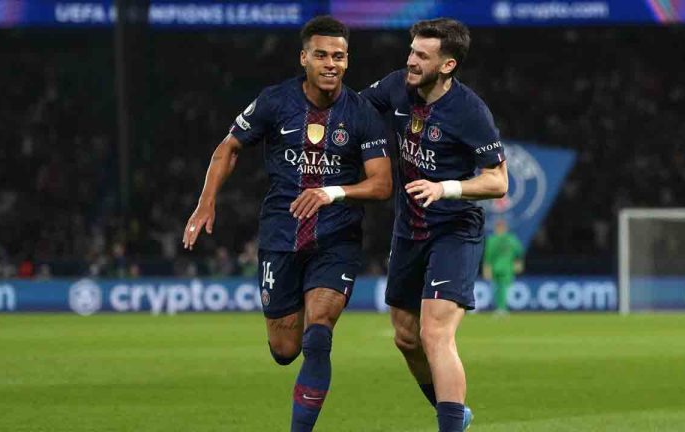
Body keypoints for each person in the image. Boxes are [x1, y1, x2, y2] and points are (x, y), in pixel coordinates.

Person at [182, 16, 391, 432]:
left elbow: (382, 183)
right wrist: (206, 202)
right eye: (321, 55)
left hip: (338, 238)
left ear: (347, 61)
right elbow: (229, 148)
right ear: (304, 58)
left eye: (338, 56)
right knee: (284, 349)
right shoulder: (275, 101)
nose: (330, 63)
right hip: (281, 236)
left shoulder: (363, 113)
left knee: (318, 336)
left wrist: (335, 192)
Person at [360, 18, 508, 432]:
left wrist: (447, 188)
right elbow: (353, 111)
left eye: (422, 56)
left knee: (435, 332)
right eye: (411, 51)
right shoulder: (395, 87)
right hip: (409, 228)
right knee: (406, 337)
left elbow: (498, 181)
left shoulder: (470, 112)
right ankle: (454, 414)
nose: (411, 60)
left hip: (454, 230)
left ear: (447, 65)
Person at [483, 219, 524, 314]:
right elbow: (519, 252)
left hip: (500, 267)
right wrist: (519, 263)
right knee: (501, 288)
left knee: (500, 288)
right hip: (504, 268)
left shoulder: (494, 239)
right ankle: (501, 308)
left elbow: (487, 256)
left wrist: (487, 269)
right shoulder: (511, 239)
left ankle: (501, 308)